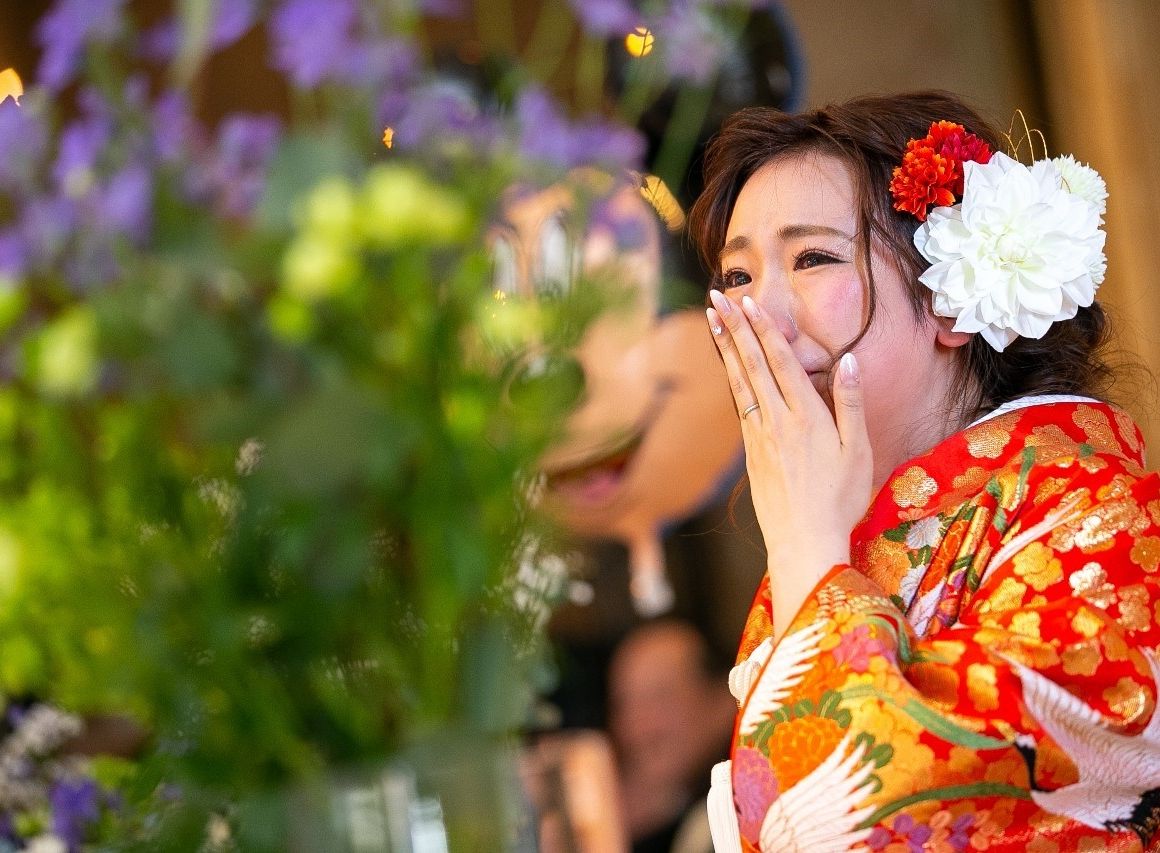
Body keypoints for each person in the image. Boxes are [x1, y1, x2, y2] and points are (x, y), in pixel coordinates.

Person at [686, 92, 1160, 851]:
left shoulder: (1109, 523)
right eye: (736, 275)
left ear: (950, 295)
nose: (757, 313)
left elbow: (877, 821)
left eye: (812, 258)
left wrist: (807, 549)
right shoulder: (856, 532)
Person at [607, 620, 736, 853]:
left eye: (661, 697)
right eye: (624, 704)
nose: (638, 726)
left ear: (722, 699)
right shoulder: (640, 822)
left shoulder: (743, 813)